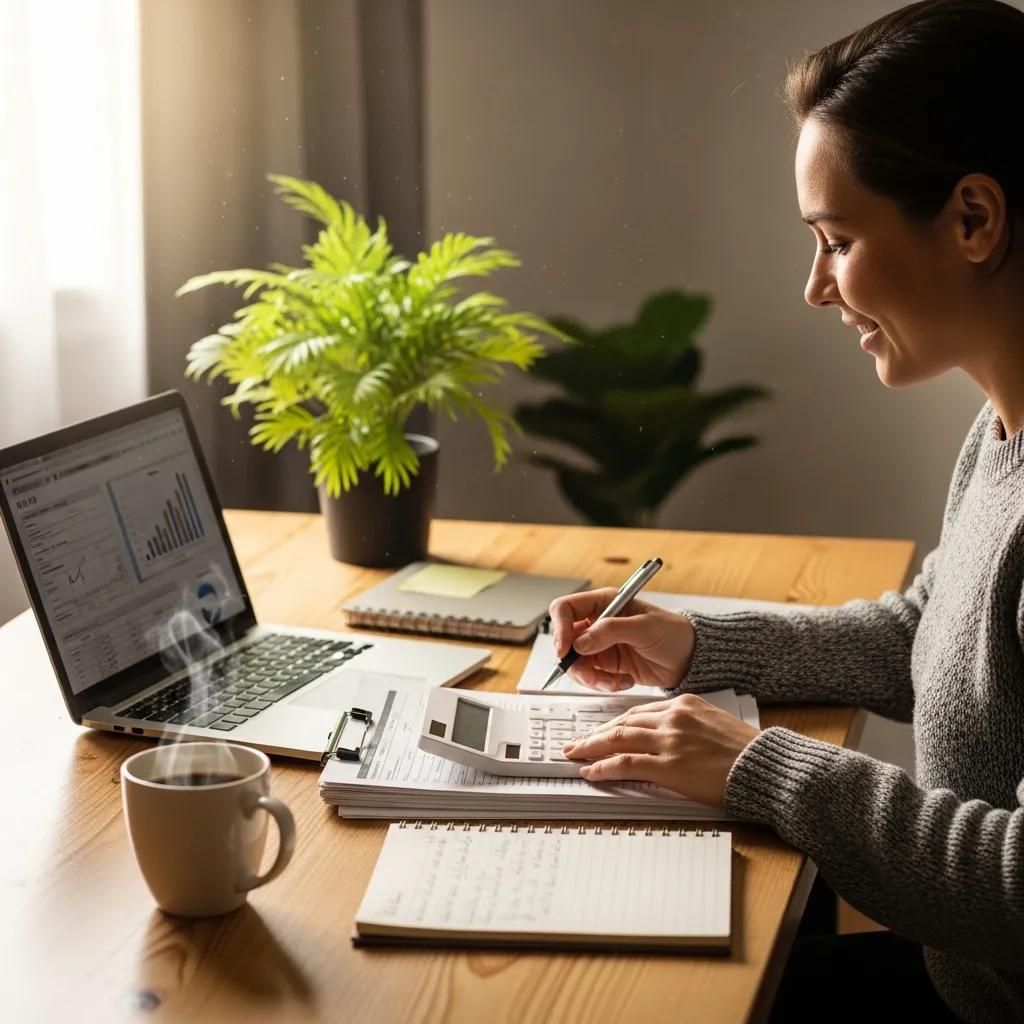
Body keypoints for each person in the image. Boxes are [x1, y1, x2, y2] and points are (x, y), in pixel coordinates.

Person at [551, 2, 1024, 1020]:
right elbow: (925, 635)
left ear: (974, 219)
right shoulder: (999, 431)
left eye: (836, 239)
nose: (814, 287)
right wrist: (695, 643)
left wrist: (759, 765)